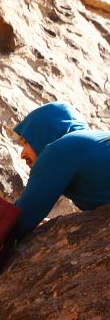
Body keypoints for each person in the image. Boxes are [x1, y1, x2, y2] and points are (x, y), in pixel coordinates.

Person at [12, 101, 110, 236]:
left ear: (42, 132)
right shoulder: (93, 141)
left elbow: (19, 220)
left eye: (26, 142)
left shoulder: (61, 149)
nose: (22, 154)